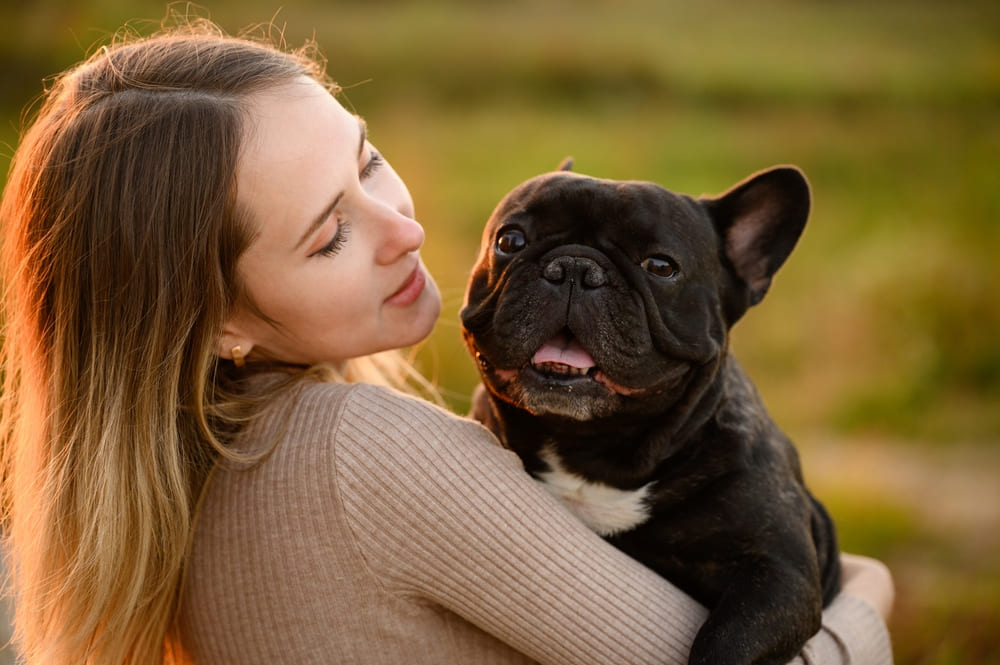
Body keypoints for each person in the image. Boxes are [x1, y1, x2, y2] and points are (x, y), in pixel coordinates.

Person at [0, 17, 894, 665]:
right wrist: (870, 591)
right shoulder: (375, 458)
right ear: (218, 321)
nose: (403, 228)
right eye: (329, 235)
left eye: (368, 160)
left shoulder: (183, 470)